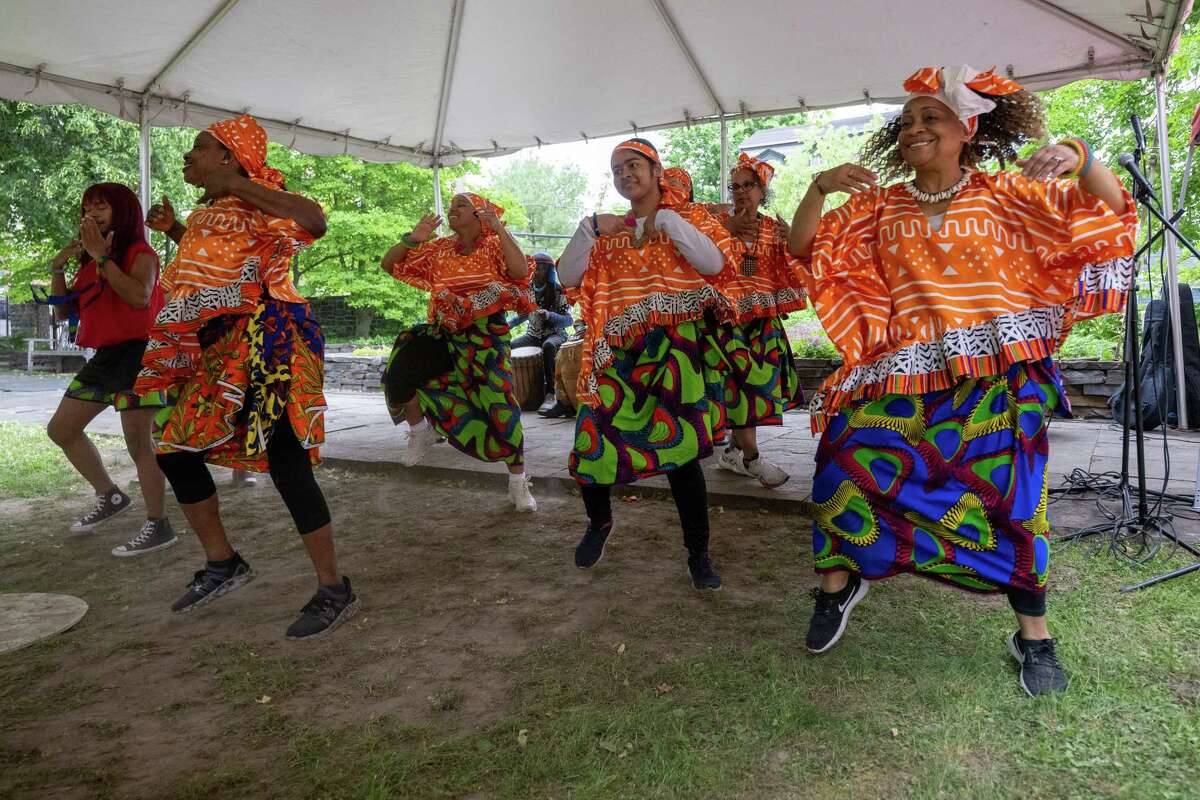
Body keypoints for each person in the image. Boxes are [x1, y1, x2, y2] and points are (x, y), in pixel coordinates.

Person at [787, 66, 1136, 695]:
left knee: (1012, 503)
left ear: (966, 127)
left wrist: (1078, 155)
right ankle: (837, 588)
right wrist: (817, 185)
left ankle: (1034, 638)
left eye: (931, 117)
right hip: (906, 371)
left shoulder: (1007, 193)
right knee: (839, 465)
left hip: (998, 376)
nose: (915, 127)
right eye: (908, 120)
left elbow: (1108, 210)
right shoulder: (881, 205)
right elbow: (805, 245)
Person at [138, 115, 358, 639]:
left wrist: (238, 184)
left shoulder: (263, 195)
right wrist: (174, 230)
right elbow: (218, 257)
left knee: (286, 461)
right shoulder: (212, 210)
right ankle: (223, 563)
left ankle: (333, 587)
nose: (189, 157)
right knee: (172, 447)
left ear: (230, 158)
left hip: (270, 342)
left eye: (199, 148)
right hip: (218, 349)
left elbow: (314, 220)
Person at [558, 138, 735, 590]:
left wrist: (667, 221)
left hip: (674, 353)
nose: (624, 175)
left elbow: (714, 262)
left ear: (657, 171)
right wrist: (589, 226)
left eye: (633, 165)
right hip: (617, 352)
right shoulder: (608, 230)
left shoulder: (687, 218)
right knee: (593, 441)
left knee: (683, 457)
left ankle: (699, 554)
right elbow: (568, 277)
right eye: (617, 169)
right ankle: (599, 523)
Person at [380, 192, 538, 512]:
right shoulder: (439, 250)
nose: (452, 210)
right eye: (451, 207)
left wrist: (500, 230)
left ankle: (518, 484)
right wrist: (412, 239)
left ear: (480, 215)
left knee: (501, 411)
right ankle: (419, 431)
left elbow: (520, 271)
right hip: (445, 334)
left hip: (485, 340)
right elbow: (389, 264)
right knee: (398, 374)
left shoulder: (494, 244)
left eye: (461, 206)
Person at [44, 183, 176, 557]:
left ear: (123, 211)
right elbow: (63, 312)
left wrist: (102, 258)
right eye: (87, 208)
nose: (92, 214)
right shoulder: (91, 262)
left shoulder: (140, 253)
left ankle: (158, 524)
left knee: (139, 444)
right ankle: (111, 495)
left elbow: (139, 296)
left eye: (100, 207)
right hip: (106, 358)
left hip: (142, 355)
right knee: (62, 429)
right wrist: (57, 268)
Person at [706, 154, 807, 488]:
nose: (740, 192)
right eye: (735, 186)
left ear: (763, 189)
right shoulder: (715, 219)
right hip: (726, 321)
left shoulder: (773, 228)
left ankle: (734, 450)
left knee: (759, 388)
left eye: (748, 185)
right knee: (740, 387)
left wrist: (792, 238)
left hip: (761, 321)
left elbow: (796, 263)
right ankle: (752, 459)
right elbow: (685, 243)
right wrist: (723, 228)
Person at [507, 252, 574, 416]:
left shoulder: (558, 291)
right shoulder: (527, 289)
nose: (536, 272)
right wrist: (505, 326)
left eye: (541, 269)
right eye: (534, 269)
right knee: (507, 346)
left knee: (549, 345)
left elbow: (568, 321)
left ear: (548, 272)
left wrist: (550, 315)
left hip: (555, 334)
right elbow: (523, 315)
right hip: (532, 335)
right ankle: (511, 393)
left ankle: (550, 394)